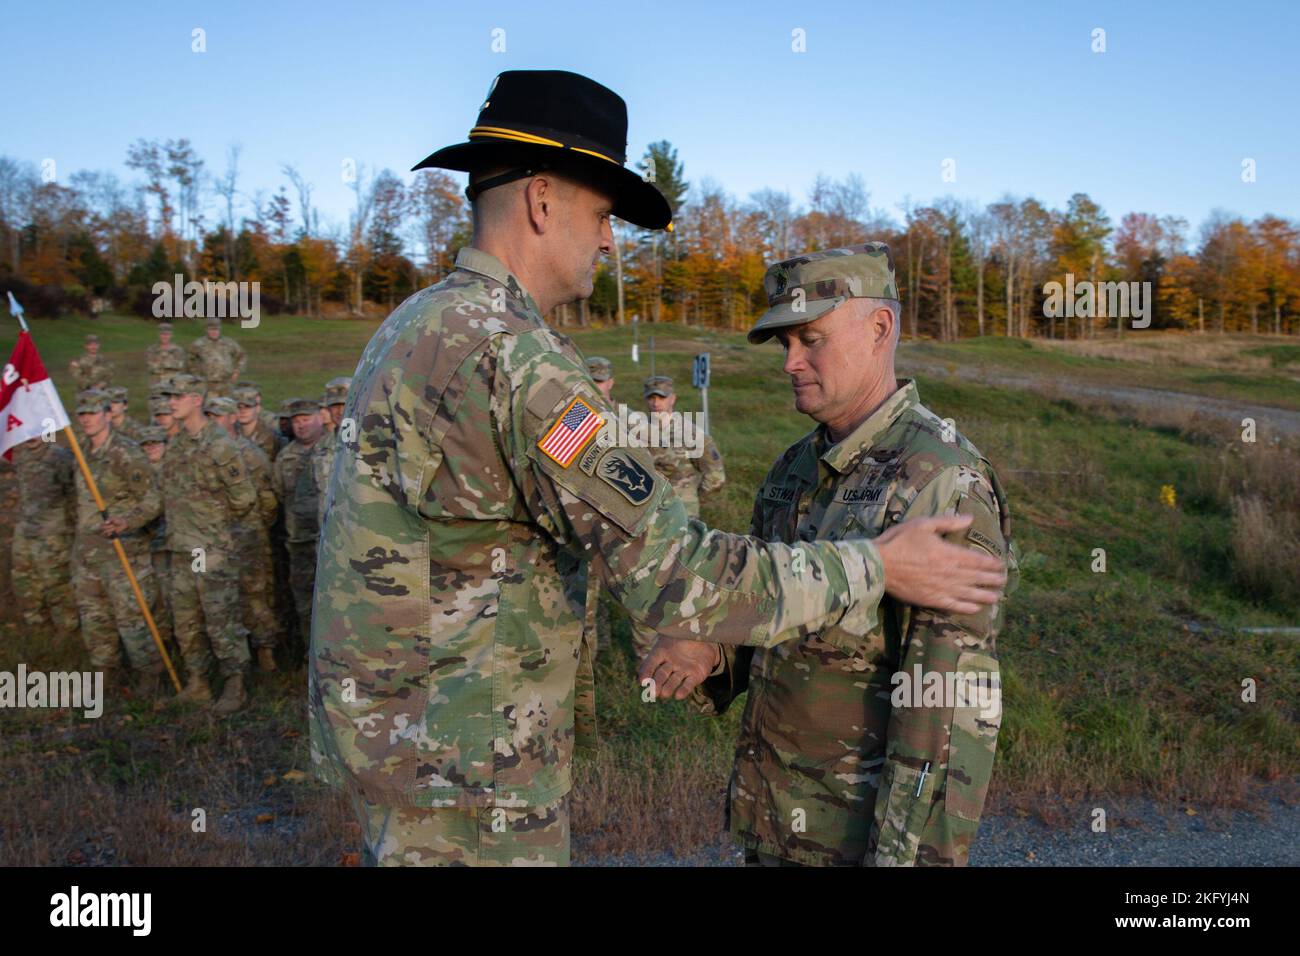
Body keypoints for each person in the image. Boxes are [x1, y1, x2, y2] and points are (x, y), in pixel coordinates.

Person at [308, 70, 1005, 867]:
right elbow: (677, 571)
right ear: (541, 202)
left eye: (811, 339)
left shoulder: (412, 327)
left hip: (410, 756)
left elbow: (946, 719)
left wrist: (713, 649)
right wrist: (875, 566)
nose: (609, 240)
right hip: (469, 780)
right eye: (603, 215)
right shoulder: (519, 364)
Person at [642, 244, 1017, 867]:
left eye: (811, 339)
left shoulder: (940, 478)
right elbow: (778, 621)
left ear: (879, 329)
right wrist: (711, 647)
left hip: (856, 840)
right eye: (785, 344)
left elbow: (947, 717)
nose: (791, 362)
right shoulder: (793, 470)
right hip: (774, 822)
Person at [159, 374, 257, 713]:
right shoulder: (177, 444)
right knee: (186, 622)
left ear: (196, 399)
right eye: (169, 396)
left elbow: (244, 498)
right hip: (179, 548)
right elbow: (166, 493)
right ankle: (198, 683)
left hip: (210, 550)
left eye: (178, 396)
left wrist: (213, 525)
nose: (171, 402)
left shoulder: (219, 444)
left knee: (221, 620)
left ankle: (235, 685)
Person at [70, 389, 163, 697]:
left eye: (93, 413)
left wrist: (127, 521)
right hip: (87, 550)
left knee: (131, 616)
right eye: (81, 414)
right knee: (94, 615)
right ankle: (105, 672)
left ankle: (149, 675)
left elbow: (152, 499)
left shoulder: (126, 453)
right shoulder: (80, 451)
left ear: (108, 415)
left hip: (123, 549)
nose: (86, 419)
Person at [206, 395, 281, 672]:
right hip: (215, 538)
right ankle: (233, 660)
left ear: (232, 418)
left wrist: (256, 529)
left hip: (248, 535)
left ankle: (266, 652)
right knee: (224, 598)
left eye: (218, 416)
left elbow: (267, 499)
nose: (213, 421)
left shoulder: (248, 453)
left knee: (256, 596)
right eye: (209, 416)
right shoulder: (206, 451)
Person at [10, 436, 79, 643]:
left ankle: (67, 627)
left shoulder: (60, 457)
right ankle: (36, 623)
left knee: (56, 582)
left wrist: (71, 528)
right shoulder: (20, 455)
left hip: (53, 531)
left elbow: (73, 494)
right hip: (25, 529)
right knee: (24, 578)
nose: (31, 436)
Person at [272, 397, 324, 655]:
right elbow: (279, 494)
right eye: (296, 421)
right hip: (299, 541)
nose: (301, 426)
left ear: (320, 418)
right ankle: (309, 657)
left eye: (306, 419)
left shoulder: (334, 449)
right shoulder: (285, 458)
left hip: (329, 541)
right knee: (305, 603)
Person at [137, 426, 176, 659]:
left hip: (170, 544)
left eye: (156, 443)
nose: (151, 448)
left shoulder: (173, 470)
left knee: (171, 596)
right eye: (146, 444)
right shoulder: (140, 473)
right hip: (145, 544)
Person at [307, 376, 352, 528]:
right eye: (334, 405)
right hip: (327, 534)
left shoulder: (372, 442)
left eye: (345, 404)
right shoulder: (321, 446)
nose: (340, 410)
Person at [187, 317, 247, 398]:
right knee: (209, 408)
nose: (214, 332)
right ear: (206, 330)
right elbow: (190, 360)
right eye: (211, 330)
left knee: (227, 408)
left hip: (226, 384)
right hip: (207, 385)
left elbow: (241, 355)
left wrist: (237, 371)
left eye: (216, 329)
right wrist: (196, 375)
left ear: (220, 329)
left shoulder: (228, 343)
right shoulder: (199, 344)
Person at [233, 384, 284, 462]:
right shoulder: (232, 431)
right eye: (239, 407)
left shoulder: (268, 436)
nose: (242, 411)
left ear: (257, 409)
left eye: (248, 406)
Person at [146, 322, 187, 389]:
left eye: (167, 334)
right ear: (159, 335)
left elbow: (179, 366)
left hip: (173, 384)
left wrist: (161, 364)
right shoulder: (152, 350)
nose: (165, 337)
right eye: (162, 334)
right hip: (156, 383)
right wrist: (169, 365)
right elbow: (151, 367)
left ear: (171, 335)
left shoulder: (177, 350)